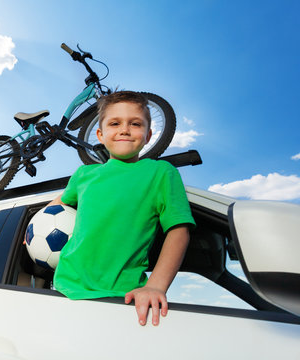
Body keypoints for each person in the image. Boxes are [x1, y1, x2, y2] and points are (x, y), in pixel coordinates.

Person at [49, 90, 195, 326]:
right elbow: (59, 204)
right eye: (115, 123)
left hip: (121, 297)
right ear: (100, 134)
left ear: (148, 135)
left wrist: (155, 286)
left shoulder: (160, 172)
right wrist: (32, 227)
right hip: (64, 288)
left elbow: (179, 230)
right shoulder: (84, 174)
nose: (124, 130)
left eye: (135, 124)